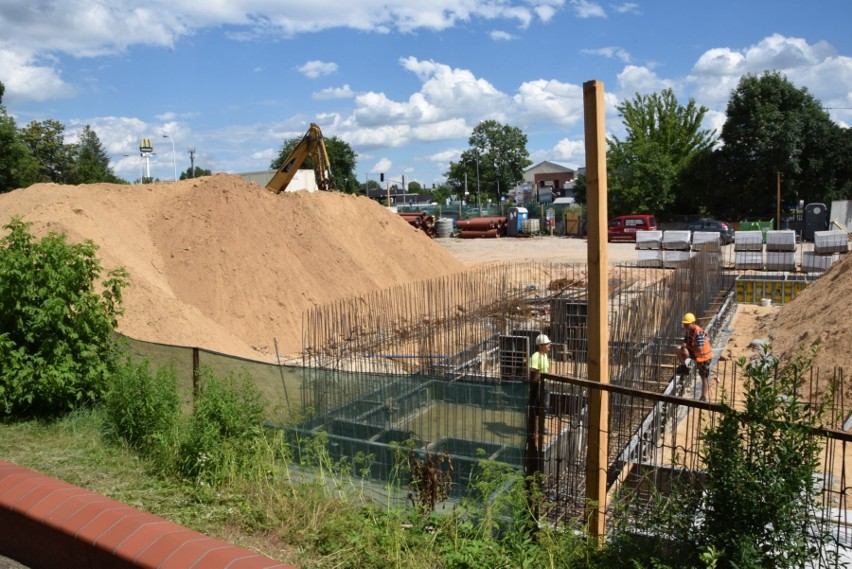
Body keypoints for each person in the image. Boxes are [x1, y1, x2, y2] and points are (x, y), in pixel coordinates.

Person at [677, 312, 713, 401]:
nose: (685, 326)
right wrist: (684, 347)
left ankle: (703, 396)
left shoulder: (699, 332)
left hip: (704, 357)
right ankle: (686, 367)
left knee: (703, 377)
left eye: (687, 324)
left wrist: (687, 347)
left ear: (693, 323)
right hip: (695, 354)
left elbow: (699, 349)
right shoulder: (689, 331)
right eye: (684, 324)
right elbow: (686, 342)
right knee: (678, 349)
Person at [530, 334, 552, 430]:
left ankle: (541, 426)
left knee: (545, 406)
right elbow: (533, 370)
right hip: (539, 385)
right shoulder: (536, 356)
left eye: (548, 343)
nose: (549, 345)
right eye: (546, 344)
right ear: (540, 346)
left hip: (545, 384)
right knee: (540, 406)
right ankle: (538, 427)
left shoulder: (544, 355)